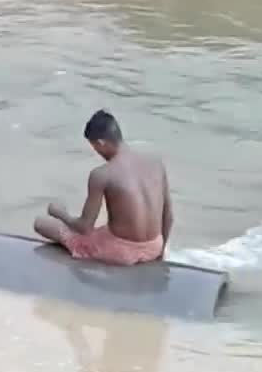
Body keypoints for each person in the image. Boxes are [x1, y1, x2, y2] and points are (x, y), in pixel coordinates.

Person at [33, 110, 172, 266]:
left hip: (121, 252)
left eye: (94, 147)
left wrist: (60, 213)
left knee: (42, 223)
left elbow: (84, 227)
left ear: (100, 143)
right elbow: (168, 216)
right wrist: (161, 252)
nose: (96, 152)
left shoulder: (102, 174)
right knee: (105, 230)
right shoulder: (156, 163)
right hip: (154, 246)